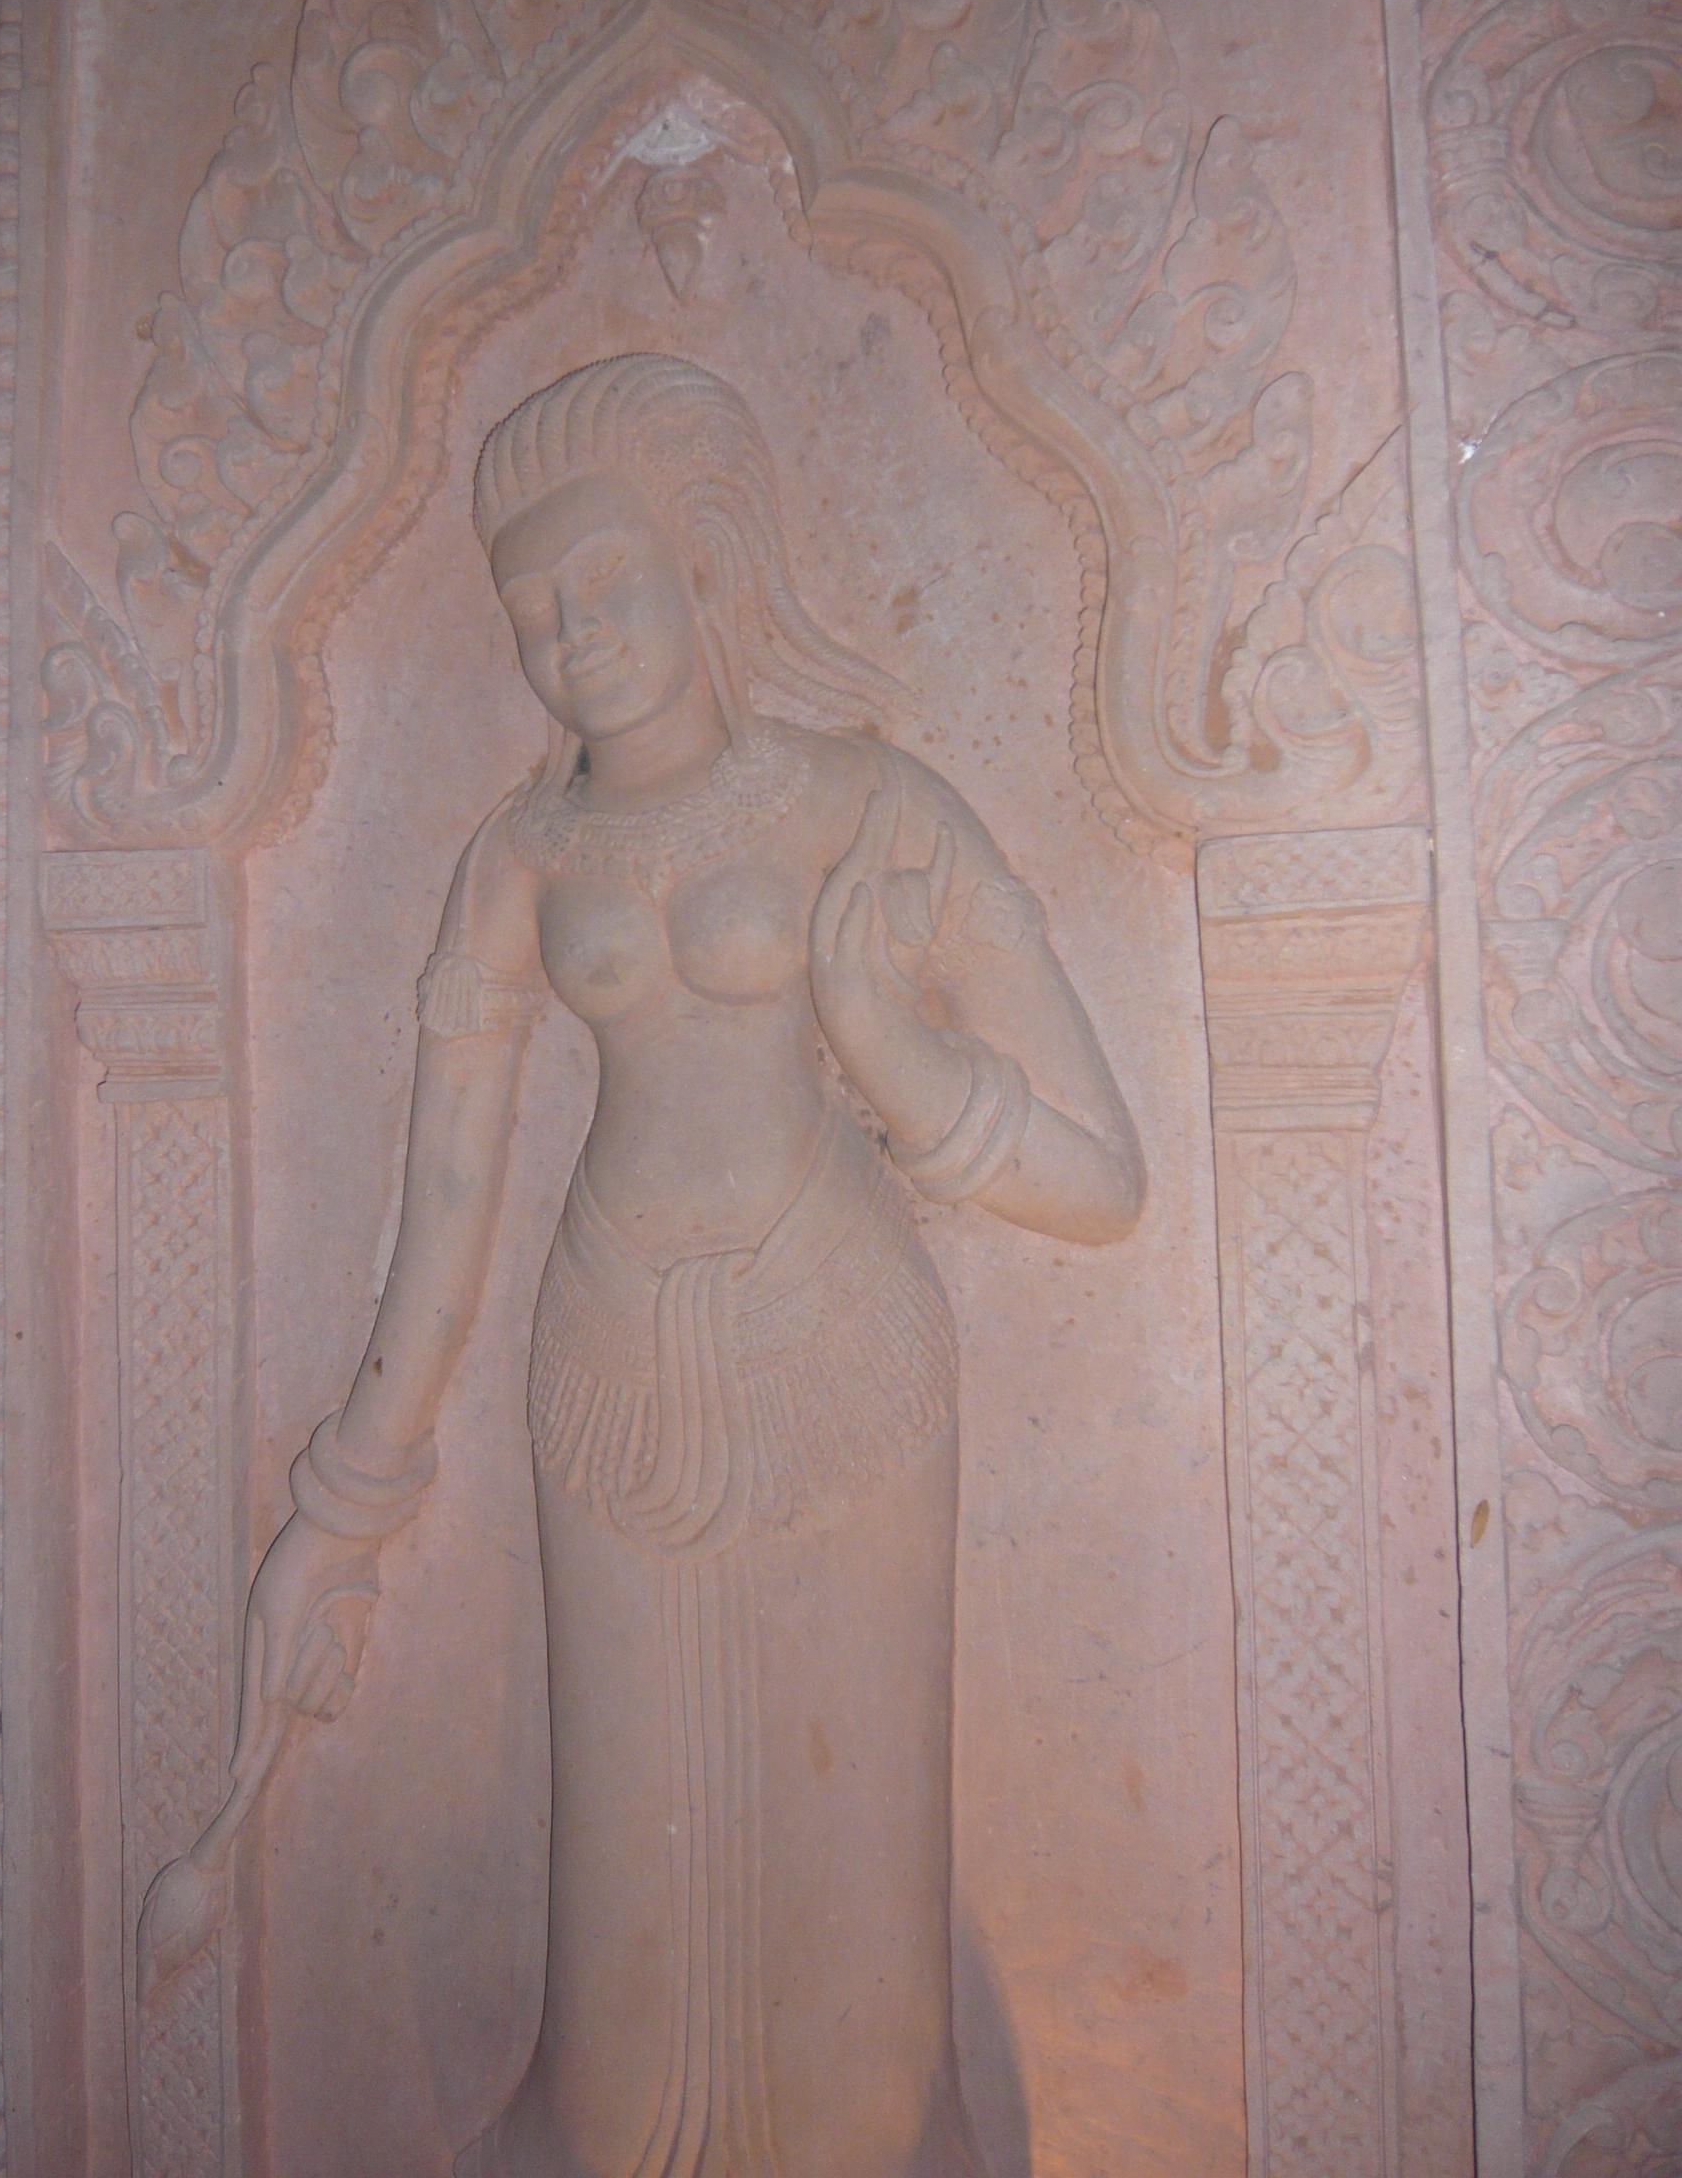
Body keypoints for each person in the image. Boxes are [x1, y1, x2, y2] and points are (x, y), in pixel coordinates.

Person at [247, 353, 1145, 2177]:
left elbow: (1104, 1179)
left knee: (851, 1871)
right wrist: (347, 1503)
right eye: (531, 611)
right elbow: (446, 1201)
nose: (570, 635)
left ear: (708, 563)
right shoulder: (519, 861)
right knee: (629, 1869)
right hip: (610, 1372)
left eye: (604, 583)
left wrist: (899, 1061)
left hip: (843, 1361)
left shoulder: (867, 804)